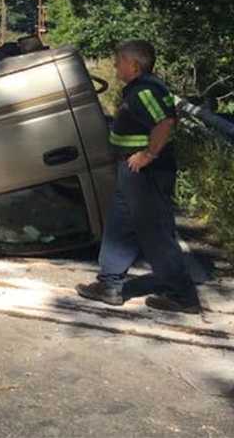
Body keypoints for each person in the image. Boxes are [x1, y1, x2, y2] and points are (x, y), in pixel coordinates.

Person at [76, 40, 201, 314]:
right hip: (131, 171)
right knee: (119, 226)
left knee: (155, 232)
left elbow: (166, 122)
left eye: (119, 61)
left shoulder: (146, 90)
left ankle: (182, 295)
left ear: (133, 64)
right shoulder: (139, 89)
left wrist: (149, 154)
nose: (115, 66)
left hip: (146, 172)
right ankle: (109, 284)